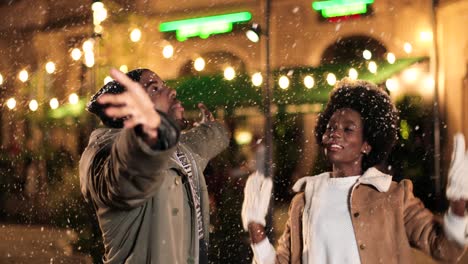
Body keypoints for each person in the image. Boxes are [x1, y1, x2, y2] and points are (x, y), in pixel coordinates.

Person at [241, 78, 468, 263]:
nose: (334, 133)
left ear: (367, 144)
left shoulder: (394, 195)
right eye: (330, 127)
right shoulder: (303, 202)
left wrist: (458, 207)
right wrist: (256, 230)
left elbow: (445, 249)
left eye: (348, 129)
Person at [79, 68, 229, 263]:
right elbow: (133, 170)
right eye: (155, 89)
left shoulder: (178, 148)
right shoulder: (107, 156)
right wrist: (152, 125)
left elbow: (212, 138)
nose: (171, 92)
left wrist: (212, 127)